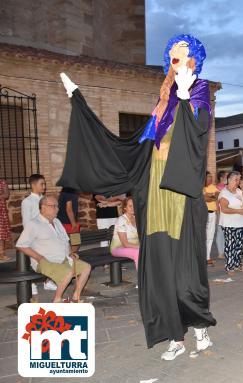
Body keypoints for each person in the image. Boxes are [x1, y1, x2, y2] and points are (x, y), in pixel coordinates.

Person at [57, 34, 216, 360]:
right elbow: (135, 149)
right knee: (160, 273)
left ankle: (198, 325)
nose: (176, 57)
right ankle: (176, 337)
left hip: (181, 196)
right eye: (171, 53)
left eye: (182, 52)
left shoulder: (199, 90)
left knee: (185, 271)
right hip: (154, 195)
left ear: (194, 58)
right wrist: (79, 102)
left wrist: (186, 98)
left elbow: (199, 131)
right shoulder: (161, 101)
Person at [16, 195, 92, 303]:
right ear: (43, 208)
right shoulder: (33, 224)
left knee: (86, 267)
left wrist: (71, 253)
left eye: (57, 206)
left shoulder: (57, 222)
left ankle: (76, 297)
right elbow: (21, 245)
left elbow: (65, 240)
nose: (57, 209)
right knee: (68, 272)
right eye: (53, 206)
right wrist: (39, 257)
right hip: (45, 261)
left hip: (63, 258)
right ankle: (57, 300)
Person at [21, 174, 56, 293]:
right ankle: (32, 283)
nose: (44, 186)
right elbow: (26, 221)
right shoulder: (27, 202)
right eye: (42, 184)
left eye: (45, 184)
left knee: (51, 256)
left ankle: (48, 280)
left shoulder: (45, 199)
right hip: (34, 236)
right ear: (33, 185)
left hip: (46, 235)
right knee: (34, 260)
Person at [218, 171, 243, 274]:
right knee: (230, 245)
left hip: (241, 222)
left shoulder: (239, 191)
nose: (238, 182)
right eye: (235, 180)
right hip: (229, 223)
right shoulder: (224, 193)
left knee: (238, 245)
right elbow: (223, 209)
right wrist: (238, 211)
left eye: (239, 179)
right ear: (229, 180)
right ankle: (229, 267)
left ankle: (237, 264)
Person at [110, 197, 140, 270]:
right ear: (125, 208)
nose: (133, 208)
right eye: (130, 206)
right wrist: (141, 247)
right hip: (118, 248)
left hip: (134, 246)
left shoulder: (136, 218)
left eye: (134, 205)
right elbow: (125, 244)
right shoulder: (121, 220)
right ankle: (142, 279)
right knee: (138, 252)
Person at [203, 171, 219, 266]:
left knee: (210, 236)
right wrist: (211, 196)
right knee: (203, 236)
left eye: (211, 176)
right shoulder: (200, 186)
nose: (211, 178)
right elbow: (204, 198)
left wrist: (210, 196)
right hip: (203, 214)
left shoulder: (212, 186)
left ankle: (207, 257)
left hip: (212, 214)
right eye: (209, 176)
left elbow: (217, 195)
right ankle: (202, 256)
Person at [57, 188, 80, 252]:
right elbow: (69, 209)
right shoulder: (69, 190)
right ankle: (71, 259)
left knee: (74, 244)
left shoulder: (69, 189)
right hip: (67, 222)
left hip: (67, 222)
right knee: (75, 244)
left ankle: (71, 258)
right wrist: (74, 224)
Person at [215, 170, 228, 259]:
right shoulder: (217, 188)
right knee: (220, 232)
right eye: (227, 176)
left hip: (228, 212)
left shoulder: (227, 187)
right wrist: (218, 212)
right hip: (221, 212)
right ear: (221, 177)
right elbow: (216, 201)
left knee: (227, 232)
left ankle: (225, 251)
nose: (228, 178)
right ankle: (220, 252)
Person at [0, 179, 10, 261]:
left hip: (1, 210)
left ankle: (1, 253)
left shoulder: (2, 182)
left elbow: (6, 195)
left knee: (1, 231)